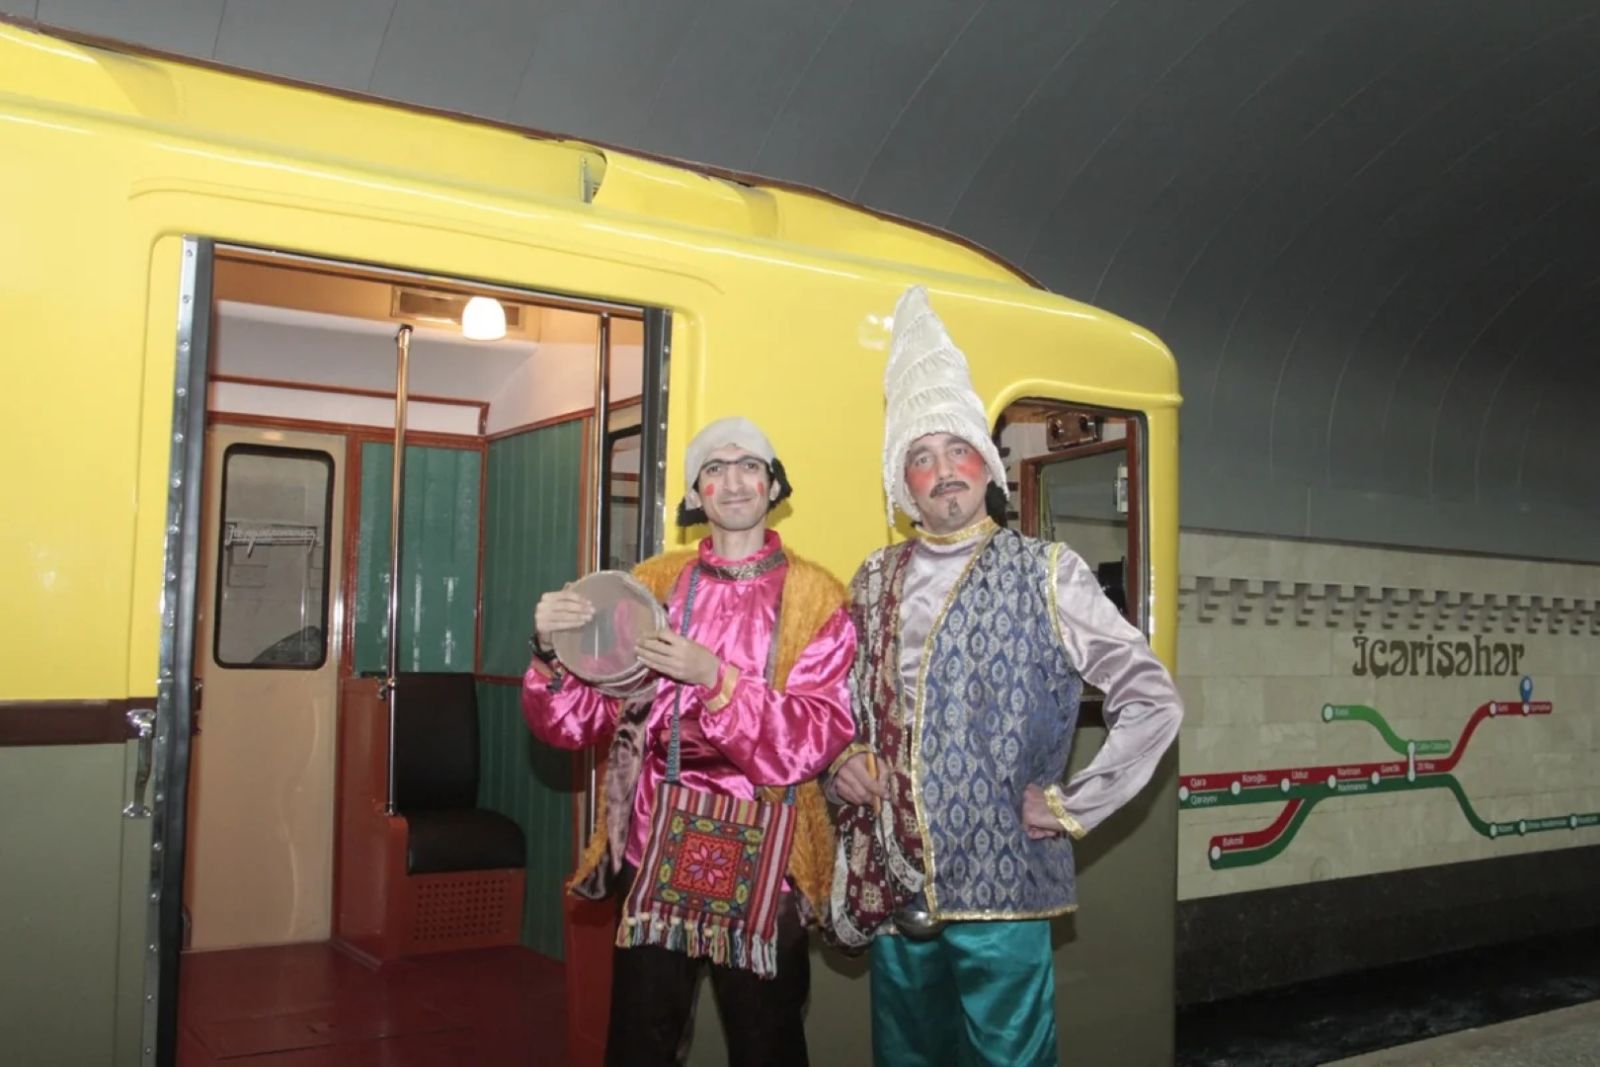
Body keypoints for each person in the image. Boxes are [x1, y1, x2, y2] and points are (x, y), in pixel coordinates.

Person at [828, 287, 1184, 1066]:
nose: (942, 472)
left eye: (957, 450)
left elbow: (1153, 699)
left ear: (987, 465)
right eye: (921, 457)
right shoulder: (872, 578)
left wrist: (1072, 804)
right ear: (903, 484)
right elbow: (835, 705)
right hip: (894, 880)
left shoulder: (1047, 570)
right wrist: (841, 758)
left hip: (1005, 887)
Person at [524, 416, 856, 1067]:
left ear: (773, 484)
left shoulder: (817, 596)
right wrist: (548, 652)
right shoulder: (651, 584)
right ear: (695, 492)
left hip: (770, 857)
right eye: (715, 469)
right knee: (640, 1041)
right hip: (653, 841)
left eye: (749, 466)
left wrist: (715, 677)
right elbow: (576, 721)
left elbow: (812, 736)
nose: (732, 482)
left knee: (767, 1044)